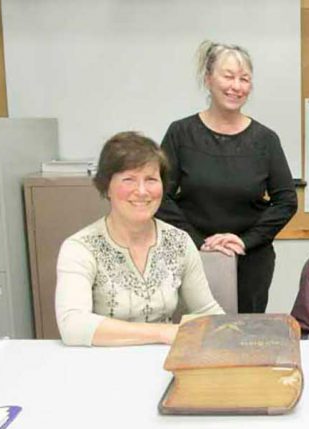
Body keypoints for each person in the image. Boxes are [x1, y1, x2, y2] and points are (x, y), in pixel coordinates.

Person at [156, 41, 297, 313]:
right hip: (191, 255)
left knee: (245, 336)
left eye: (244, 79)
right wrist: (199, 243)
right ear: (208, 79)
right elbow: (161, 197)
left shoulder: (265, 140)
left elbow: (286, 201)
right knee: (193, 335)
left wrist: (245, 241)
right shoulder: (180, 133)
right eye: (228, 76)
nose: (237, 86)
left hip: (250, 258)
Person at [56, 132, 224, 347]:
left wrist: (237, 340)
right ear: (106, 187)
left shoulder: (179, 241)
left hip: (164, 363)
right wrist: (163, 333)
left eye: (151, 179)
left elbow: (205, 311)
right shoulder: (80, 248)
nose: (142, 191)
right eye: (129, 179)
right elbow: (73, 326)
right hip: (102, 365)